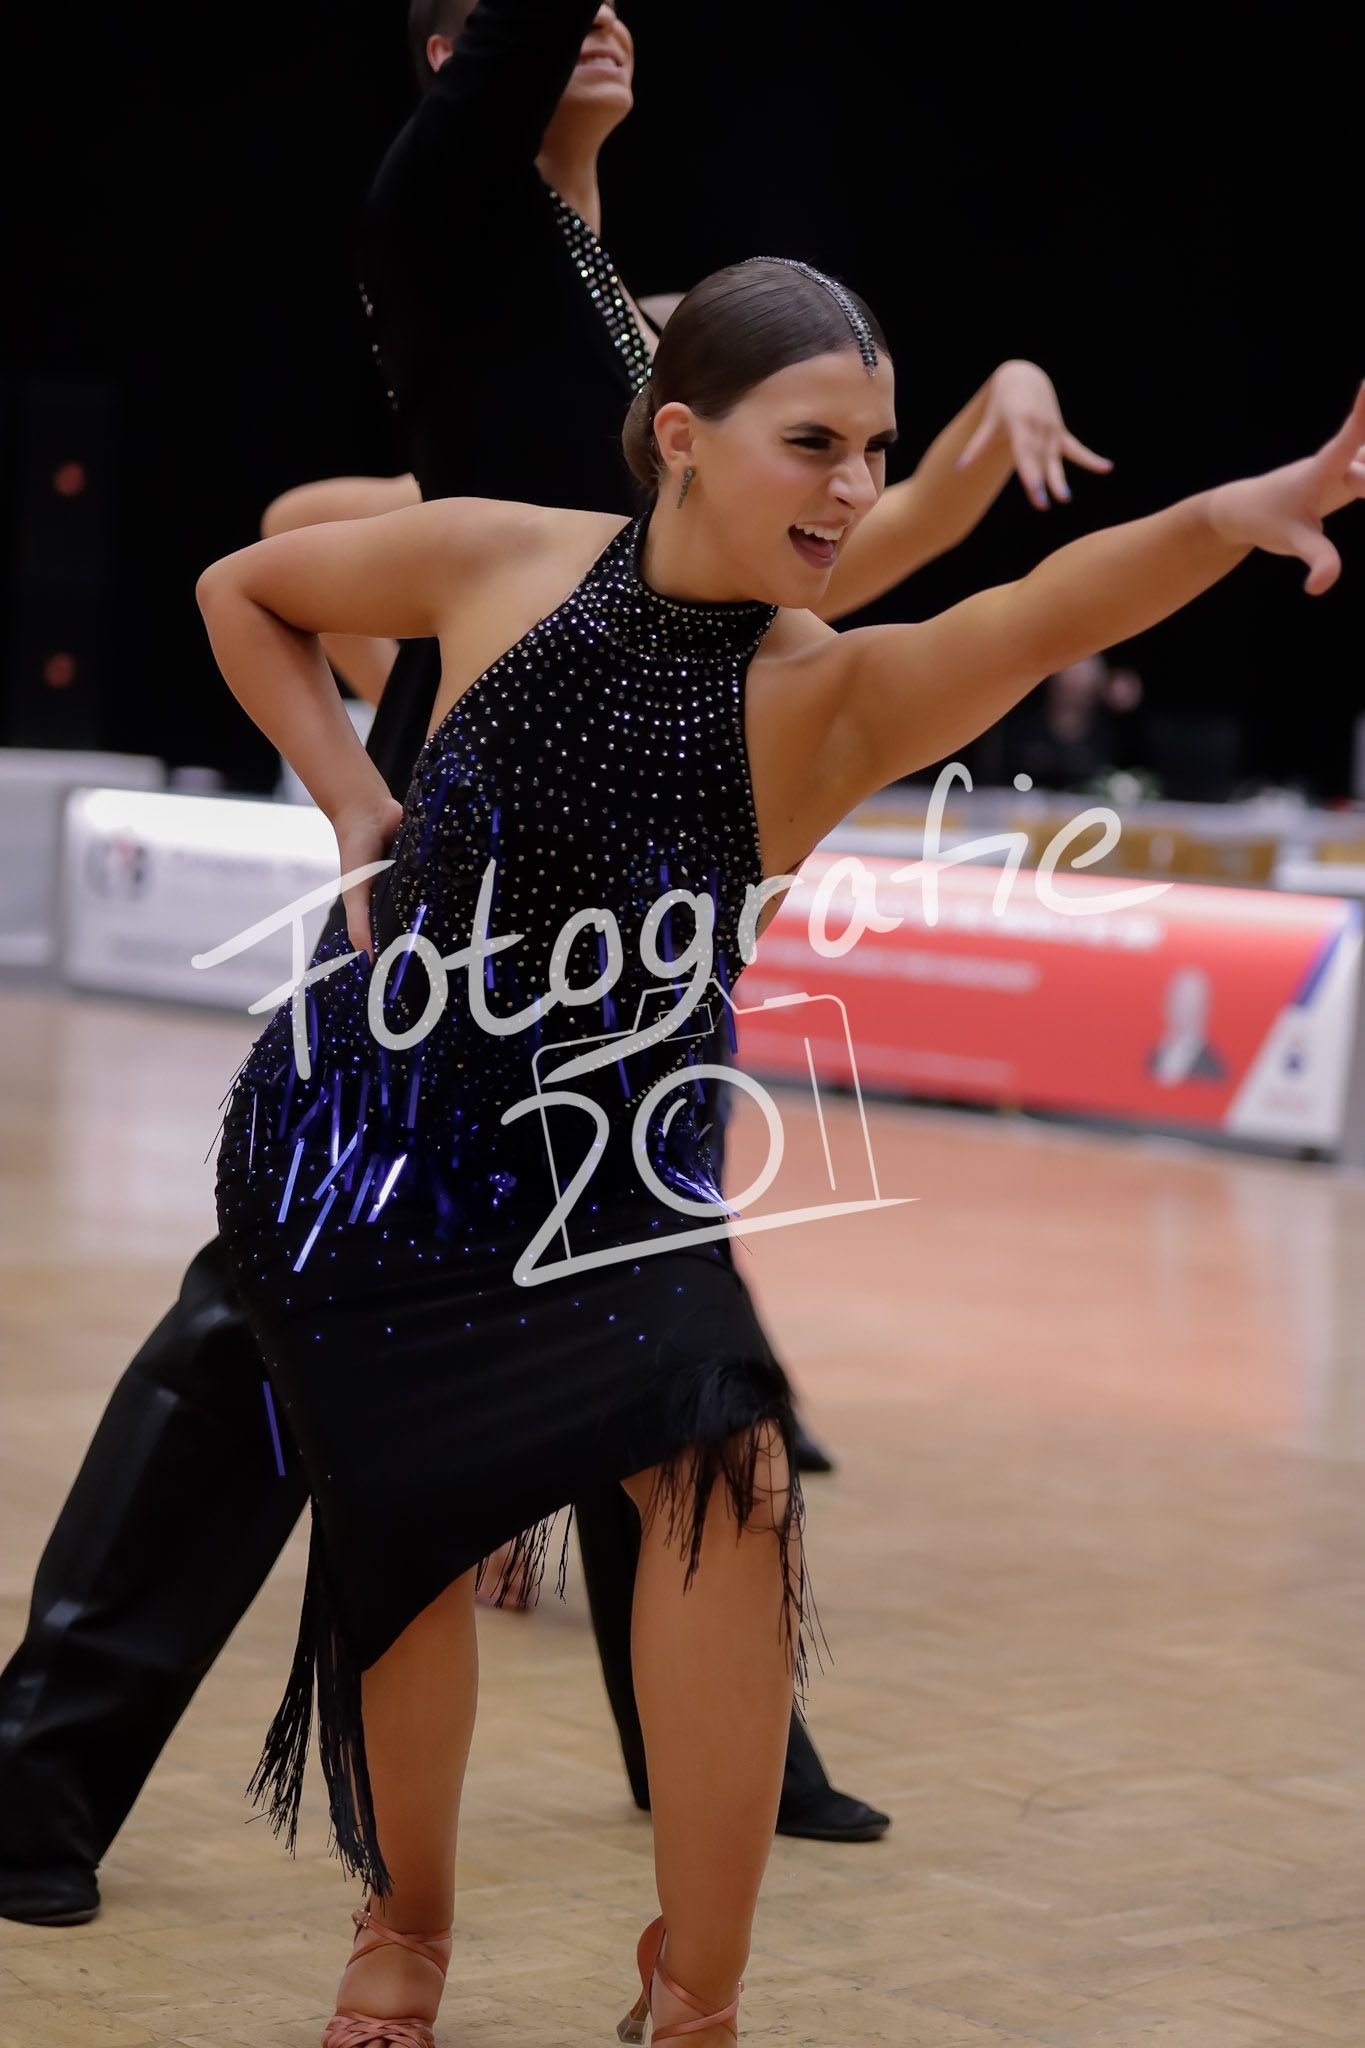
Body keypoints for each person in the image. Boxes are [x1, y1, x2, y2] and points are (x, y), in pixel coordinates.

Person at [0, 0, 1113, 1922]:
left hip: (645, 884)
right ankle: (39, 1774)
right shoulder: (450, 218)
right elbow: (283, 563)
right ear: (465, 60)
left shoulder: (625, 301)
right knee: (258, 1337)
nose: (600, 26)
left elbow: (845, 552)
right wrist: (357, 804)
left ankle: (724, 1754)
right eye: (546, 17)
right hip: (477, 892)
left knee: (638, 1308)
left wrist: (985, 398)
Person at [197, 256, 1363, 2044]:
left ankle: (698, 1996)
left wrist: (1226, 514)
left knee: (727, 1485)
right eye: (815, 442)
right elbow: (246, 587)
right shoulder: (503, 558)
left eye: (875, 450)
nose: (853, 487)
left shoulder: (822, 694)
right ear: (680, 435)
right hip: (374, 1141)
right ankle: (404, 1931)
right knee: (403, 1544)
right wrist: (355, 794)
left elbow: (1041, 609)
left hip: (615, 1175)